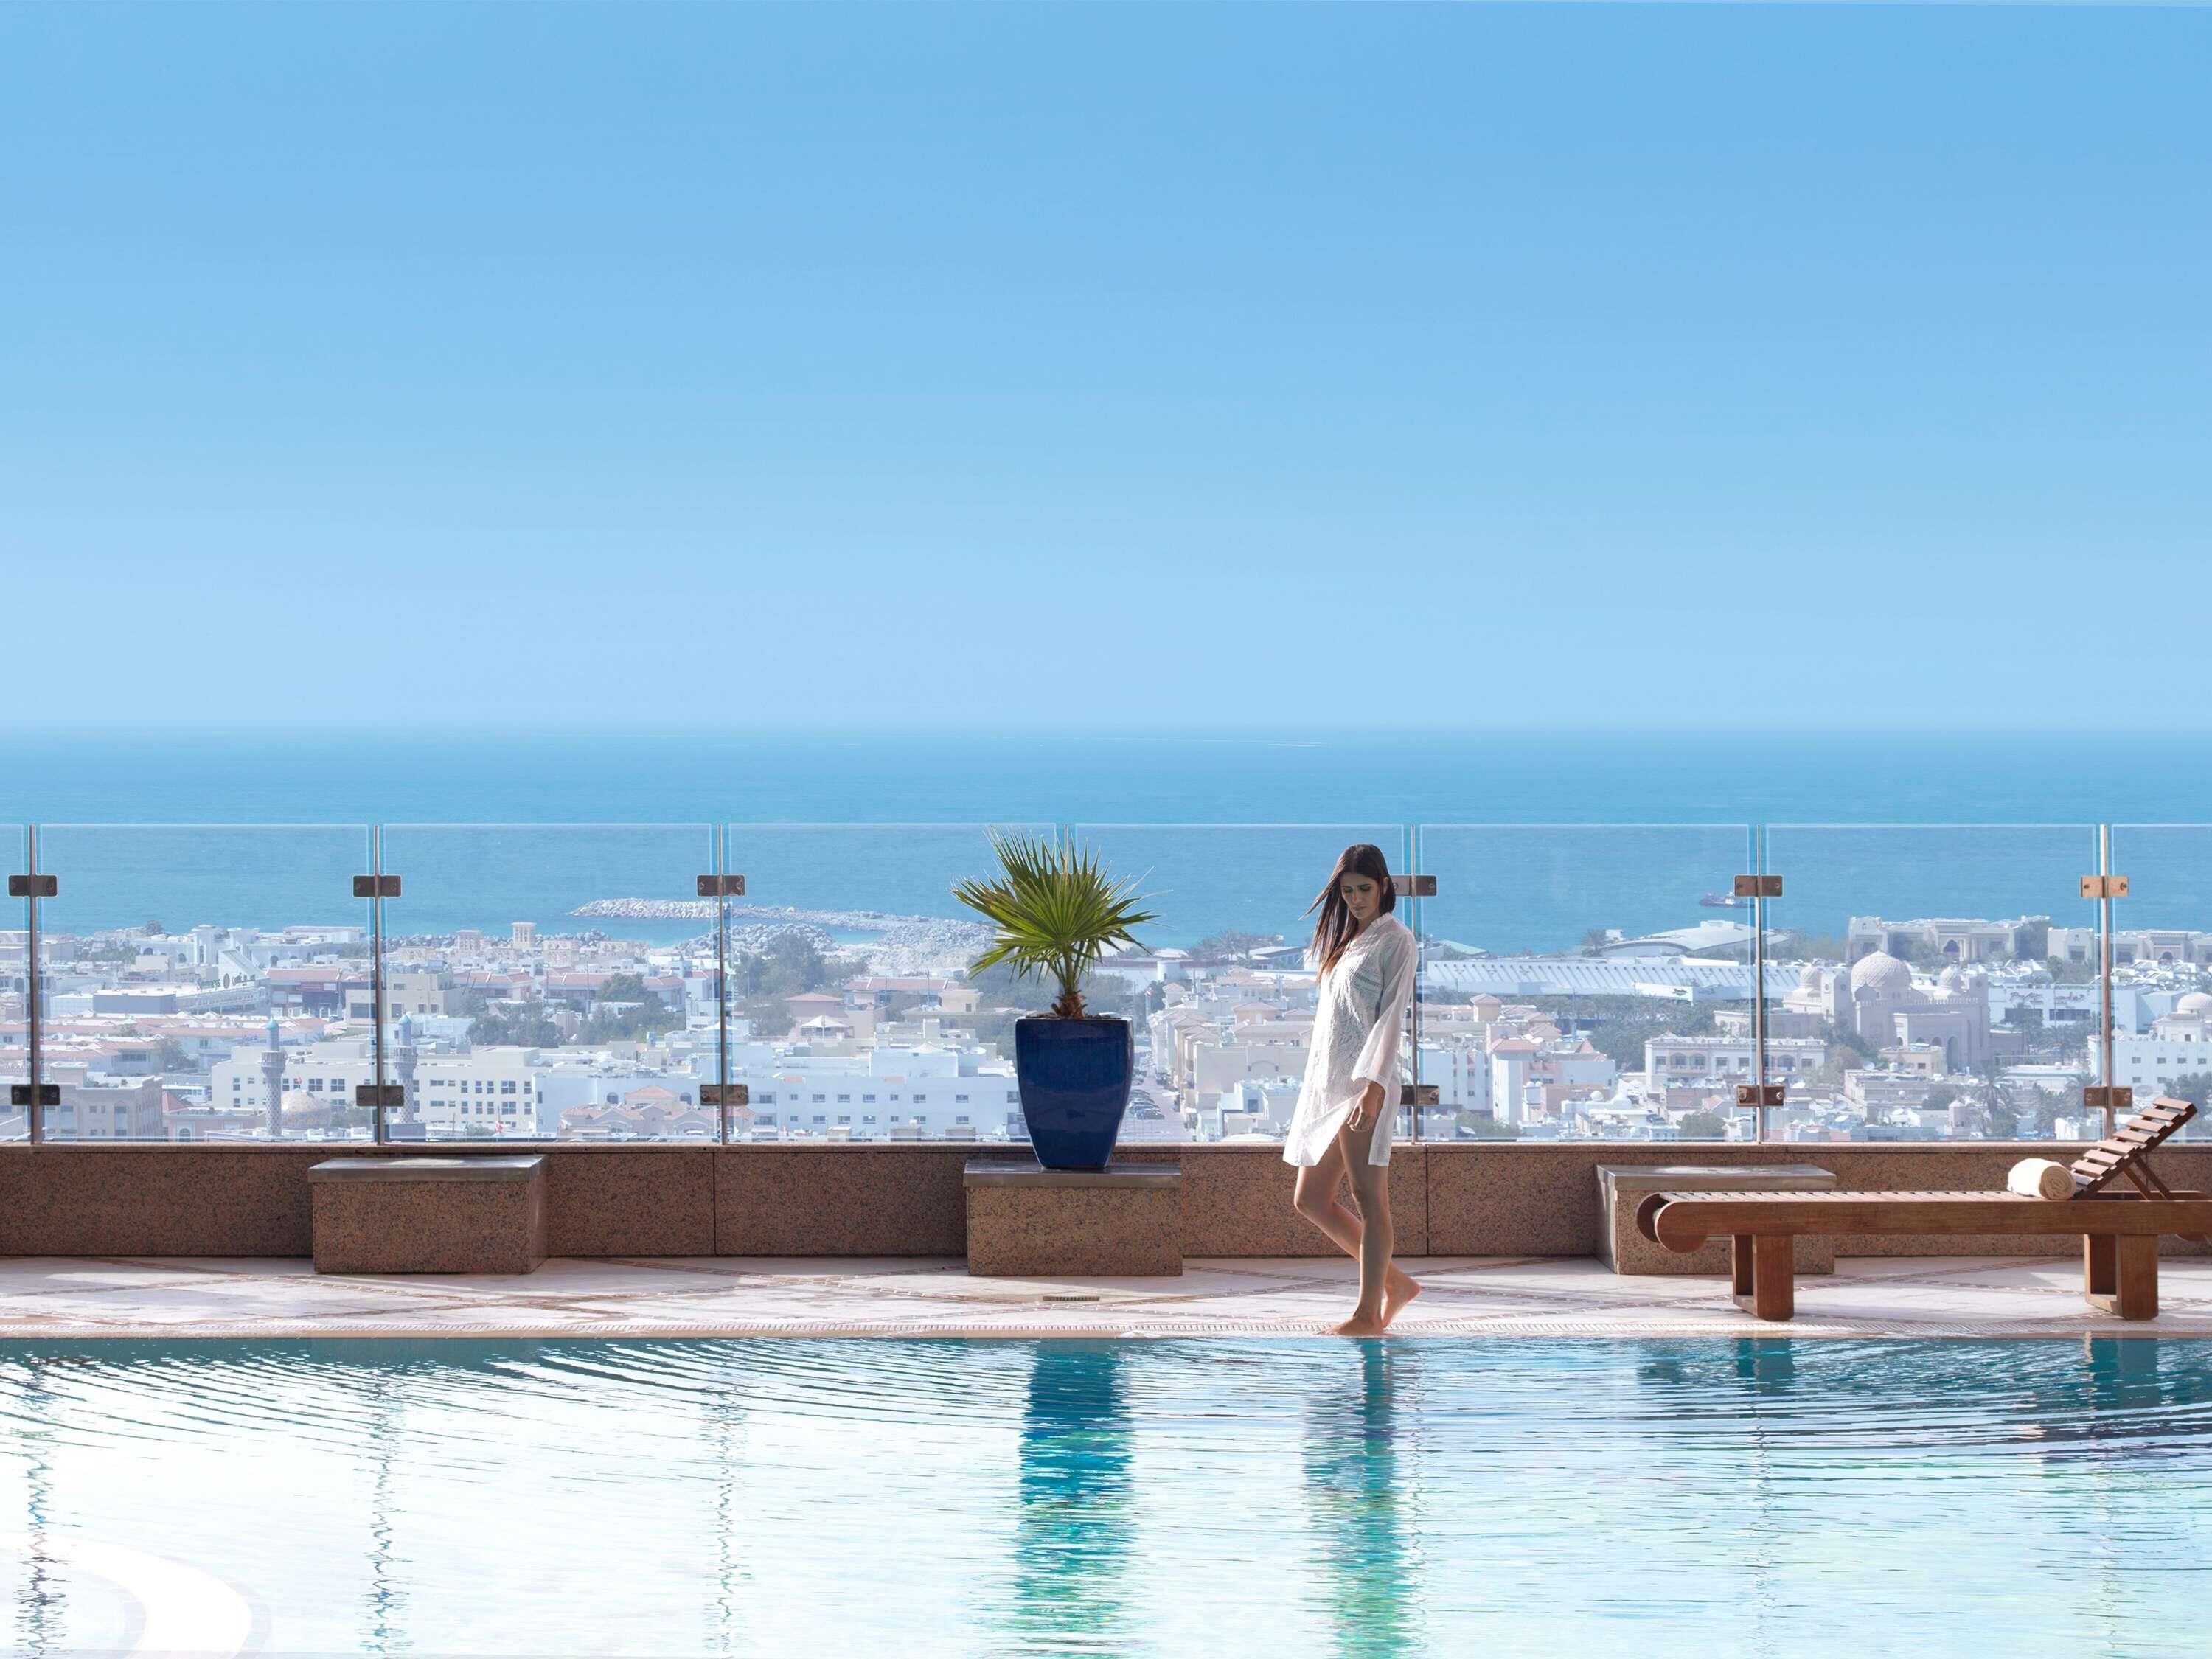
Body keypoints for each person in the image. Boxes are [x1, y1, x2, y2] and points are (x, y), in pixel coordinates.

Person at [1284, 843, 1421, 1335]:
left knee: (1369, 1197)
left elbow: (1390, 1020)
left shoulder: (1396, 941)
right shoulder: (1347, 942)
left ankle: (1368, 1315)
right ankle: (1396, 1284)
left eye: (1364, 889)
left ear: (1383, 886)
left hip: (1367, 1086)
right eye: (1347, 891)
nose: (1356, 898)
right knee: (1311, 1199)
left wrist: (1374, 1086)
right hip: (1330, 1087)